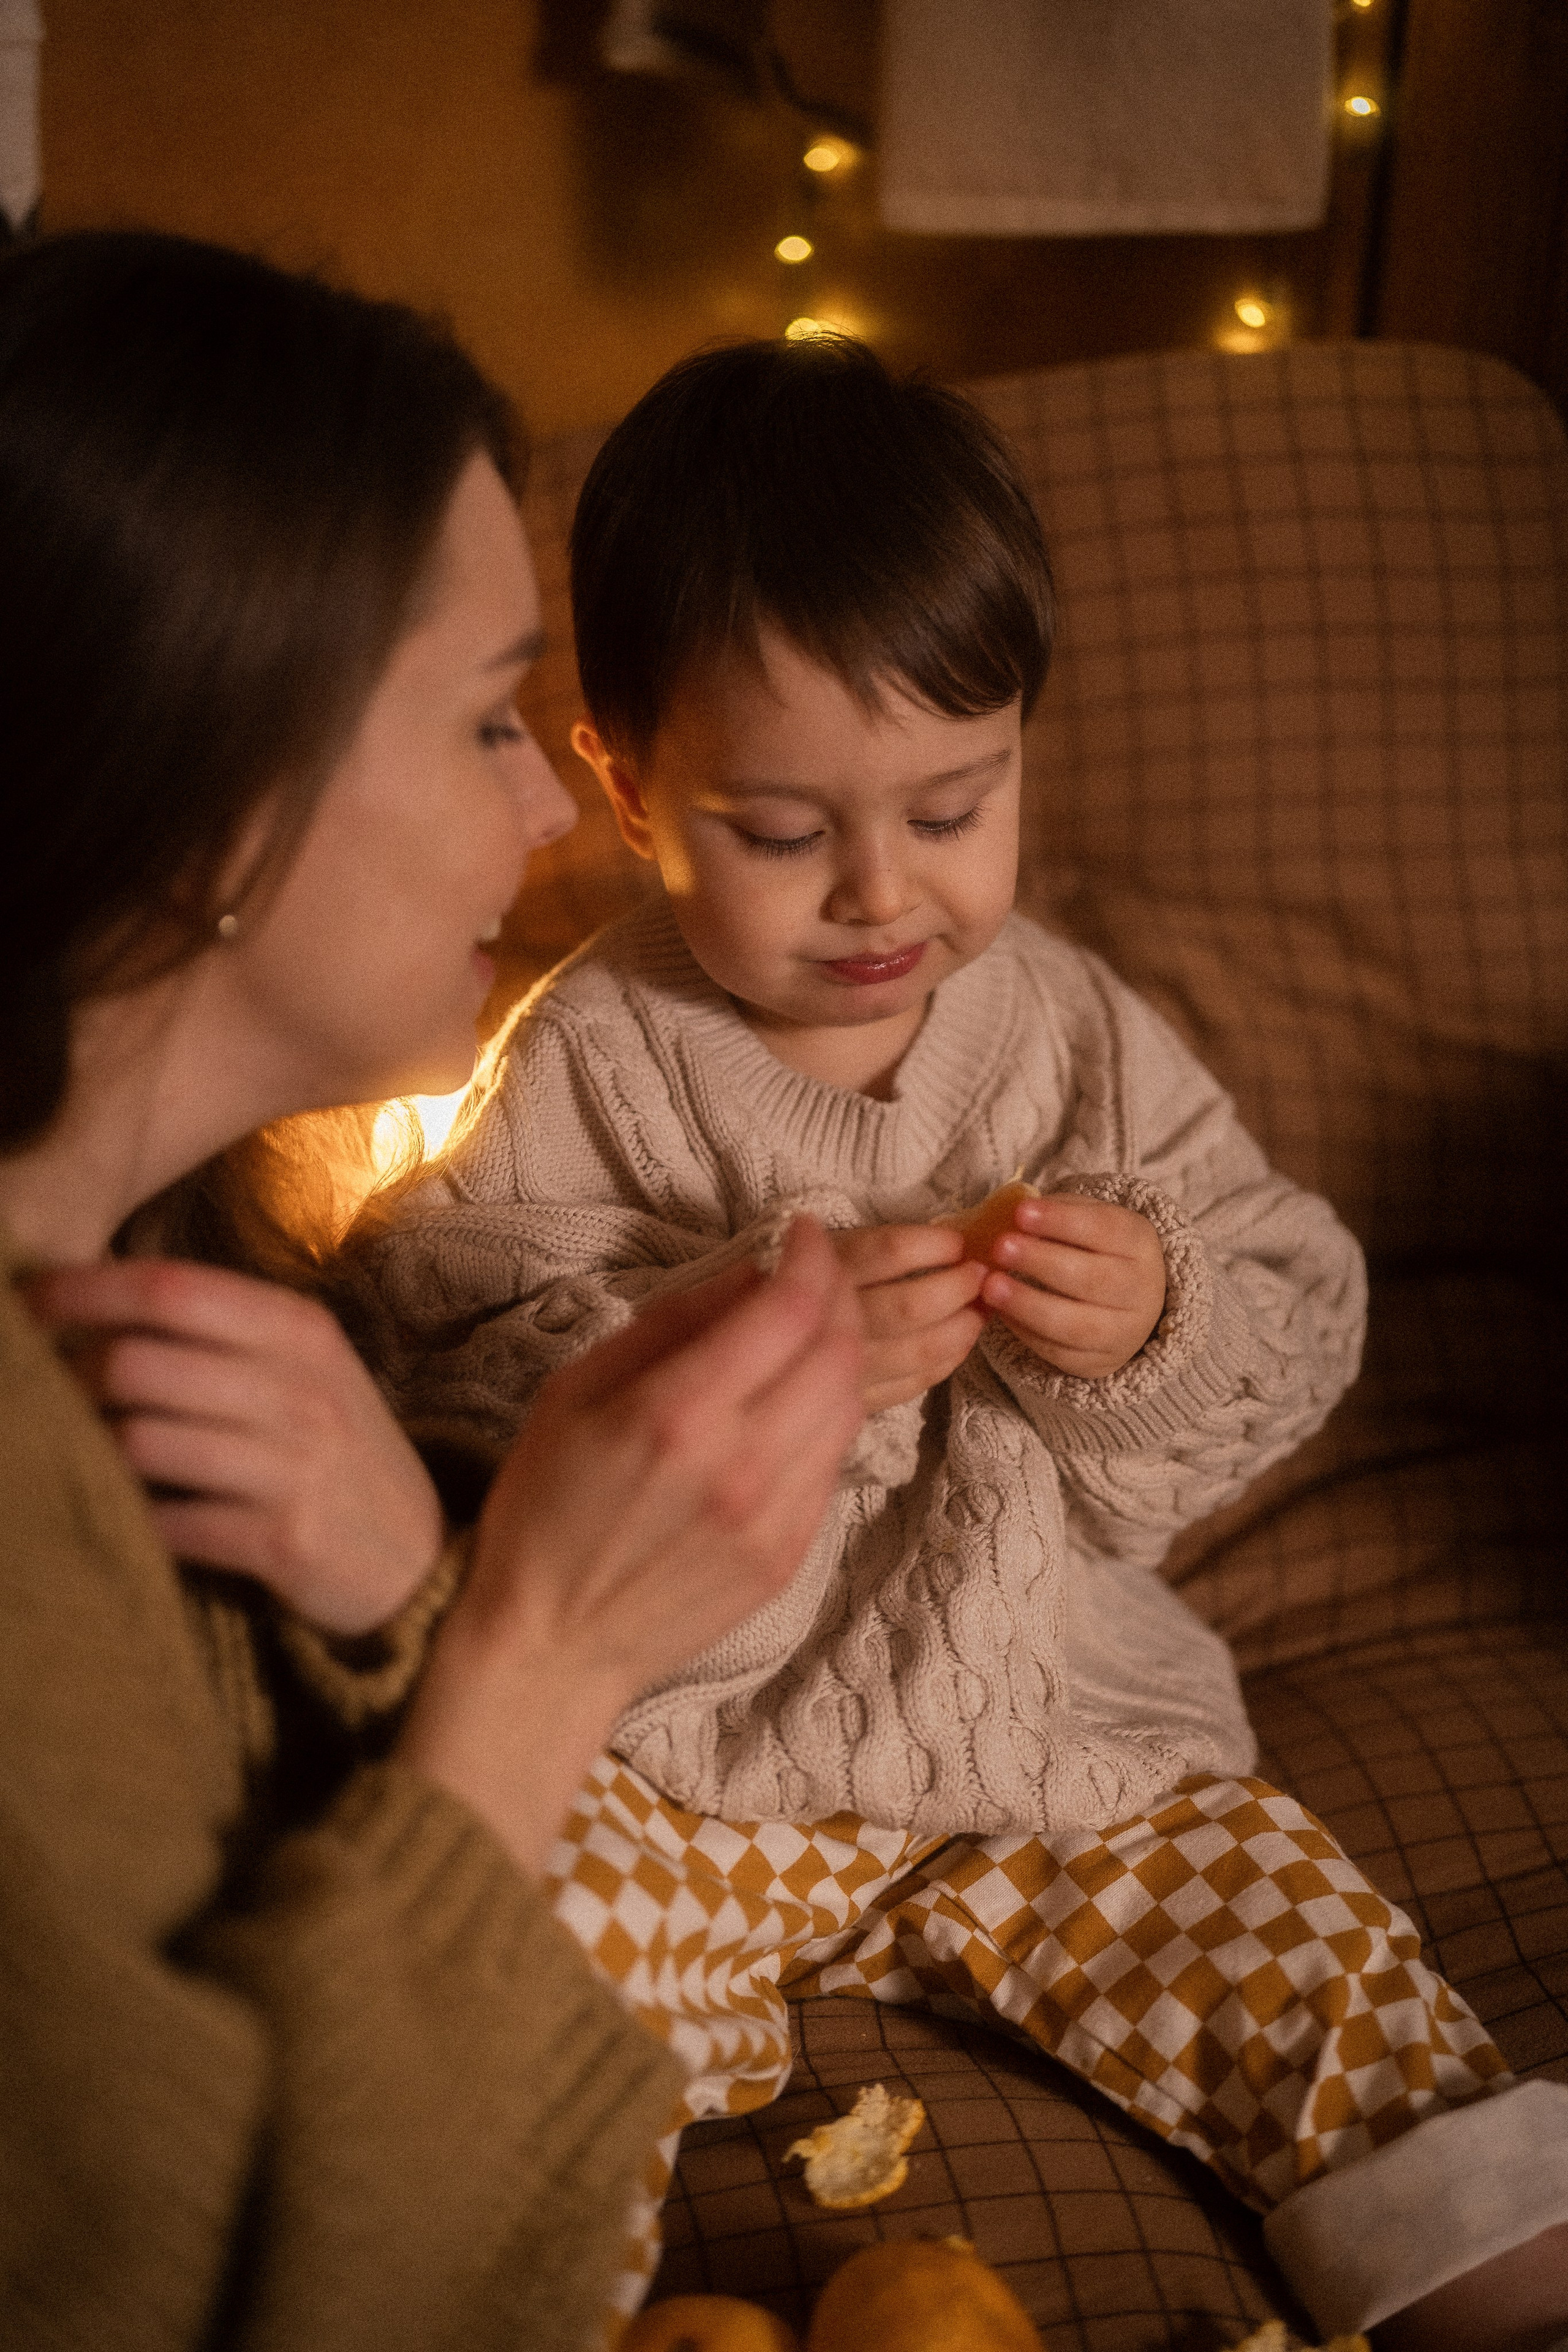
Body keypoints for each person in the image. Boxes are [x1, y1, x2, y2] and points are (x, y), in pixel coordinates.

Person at [347, 337, 1568, 2349]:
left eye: (953, 803)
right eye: (776, 830)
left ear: (1019, 755)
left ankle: (1492, 2267)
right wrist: (731, 1331)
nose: (879, 893)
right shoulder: (588, 1052)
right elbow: (458, 1347)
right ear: (626, 785)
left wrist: (1157, 1314)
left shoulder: (1073, 1032)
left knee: (1312, 1966)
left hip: (1052, 1730)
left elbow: (1292, 1292)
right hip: (698, 1756)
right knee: (504, 2003)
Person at [0, 232, 867, 2352]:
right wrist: (544, 1646)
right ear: (217, 791)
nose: (554, 801)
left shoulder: (143, 1299)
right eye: (492, 715)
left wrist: (411, 1597)